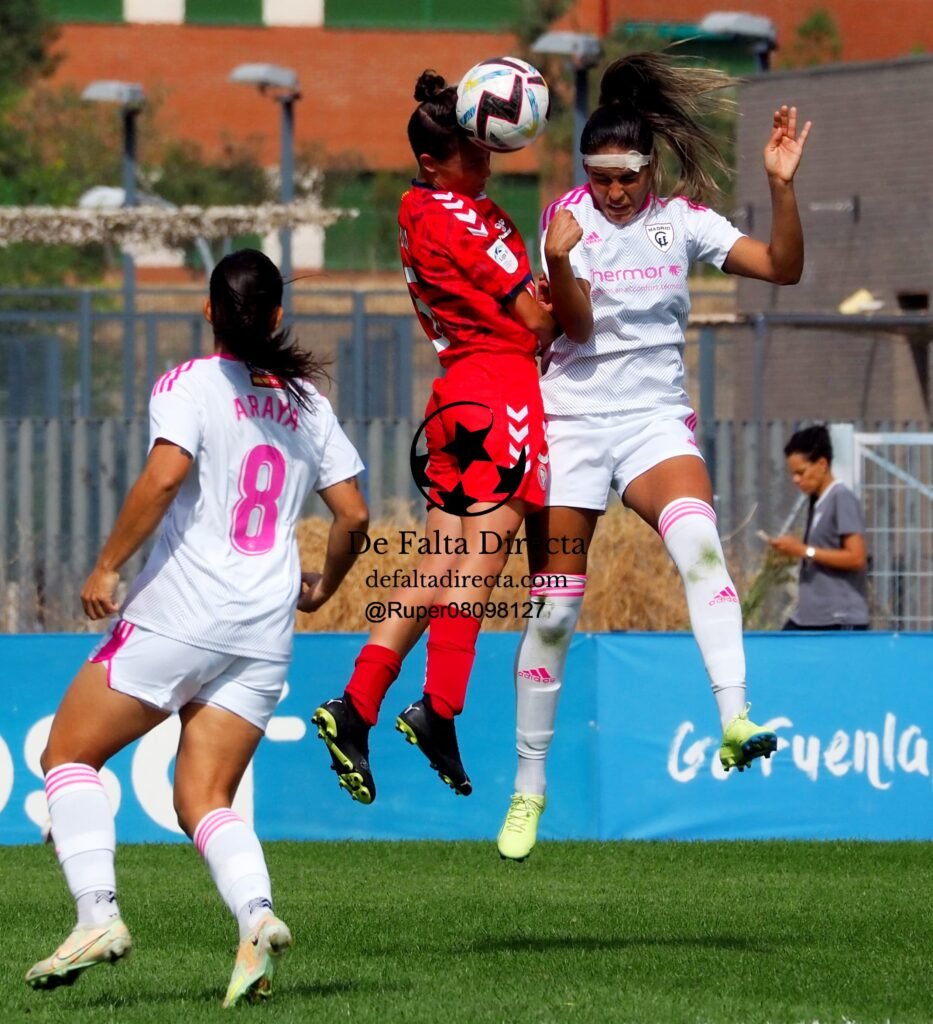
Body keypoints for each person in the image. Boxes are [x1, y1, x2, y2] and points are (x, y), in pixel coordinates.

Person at [25, 249, 368, 1005]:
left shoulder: (190, 383)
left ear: (209, 310)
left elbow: (166, 473)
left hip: (184, 611)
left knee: (68, 754)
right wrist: (325, 588)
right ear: (277, 317)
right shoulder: (308, 403)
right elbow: (354, 516)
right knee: (204, 798)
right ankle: (256, 918)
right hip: (264, 628)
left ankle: (97, 917)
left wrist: (109, 564)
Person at [497, 52, 812, 861]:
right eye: (599, 176)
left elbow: (782, 268)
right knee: (558, 606)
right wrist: (560, 261)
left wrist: (780, 185)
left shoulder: (684, 223)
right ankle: (528, 787)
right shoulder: (566, 220)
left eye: (625, 175)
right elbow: (572, 329)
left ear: (648, 167)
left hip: (651, 426)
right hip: (570, 422)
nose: (612, 190)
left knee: (701, 551)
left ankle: (735, 717)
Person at [311, 69, 558, 806]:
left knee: (437, 566)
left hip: (452, 392)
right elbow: (541, 322)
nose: (486, 162)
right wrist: (573, 291)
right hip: (499, 393)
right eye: (472, 154)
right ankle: (439, 707)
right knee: (476, 574)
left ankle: (355, 706)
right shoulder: (469, 219)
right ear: (432, 161)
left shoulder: (415, 207)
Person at [770, 424, 869, 630]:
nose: (796, 480)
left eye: (801, 472)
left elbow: (857, 557)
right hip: (810, 616)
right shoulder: (817, 502)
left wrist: (803, 550)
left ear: (822, 464)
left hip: (838, 618)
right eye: (792, 474)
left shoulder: (841, 499)